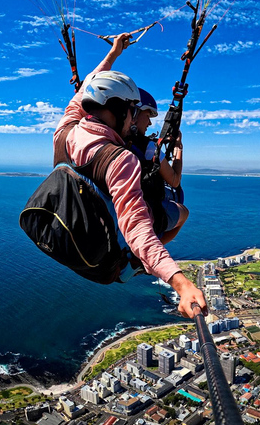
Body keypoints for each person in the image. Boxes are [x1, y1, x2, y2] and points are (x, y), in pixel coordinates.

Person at [53, 32, 206, 319]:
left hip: (78, 244)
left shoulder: (64, 133)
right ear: (118, 109)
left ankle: (140, 258)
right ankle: (138, 262)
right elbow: (136, 227)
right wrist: (181, 283)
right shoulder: (118, 159)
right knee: (178, 213)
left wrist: (113, 54)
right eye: (132, 110)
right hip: (113, 261)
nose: (134, 119)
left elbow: (86, 88)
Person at [129, 89, 189, 244]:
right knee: (184, 212)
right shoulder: (147, 148)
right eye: (147, 116)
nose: (149, 123)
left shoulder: (113, 140)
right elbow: (174, 180)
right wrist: (178, 148)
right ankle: (150, 250)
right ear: (134, 114)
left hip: (121, 205)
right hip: (142, 209)